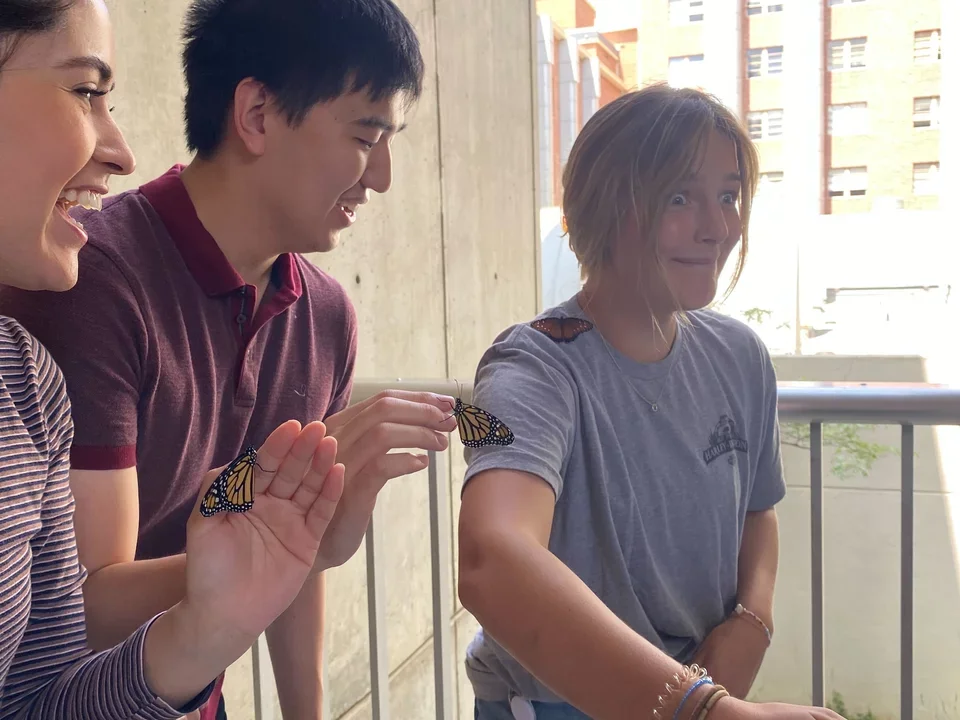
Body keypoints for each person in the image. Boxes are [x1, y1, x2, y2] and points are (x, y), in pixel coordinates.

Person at [0, 0, 458, 718]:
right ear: (257, 115)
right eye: (367, 135)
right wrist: (268, 559)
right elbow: (77, 617)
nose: (383, 178)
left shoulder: (327, 314)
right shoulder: (92, 280)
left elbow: (287, 550)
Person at [456, 85, 847, 720]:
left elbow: (758, 510)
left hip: (700, 687)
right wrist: (701, 709)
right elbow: (492, 558)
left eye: (727, 195)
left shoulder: (739, 354)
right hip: (558, 698)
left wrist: (752, 620)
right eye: (679, 197)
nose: (717, 226)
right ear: (606, 206)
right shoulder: (533, 366)